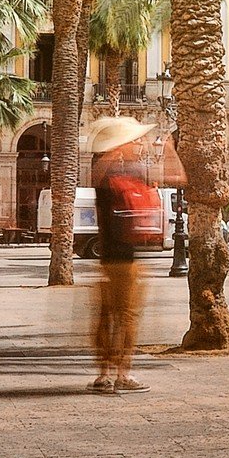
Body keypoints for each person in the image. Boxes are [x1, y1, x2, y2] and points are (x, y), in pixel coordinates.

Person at [85, 116, 154, 393]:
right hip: (122, 261)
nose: (138, 144)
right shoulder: (110, 176)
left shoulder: (113, 175)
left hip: (112, 259)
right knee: (125, 317)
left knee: (109, 316)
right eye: (133, 141)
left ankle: (104, 375)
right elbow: (178, 177)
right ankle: (121, 375)